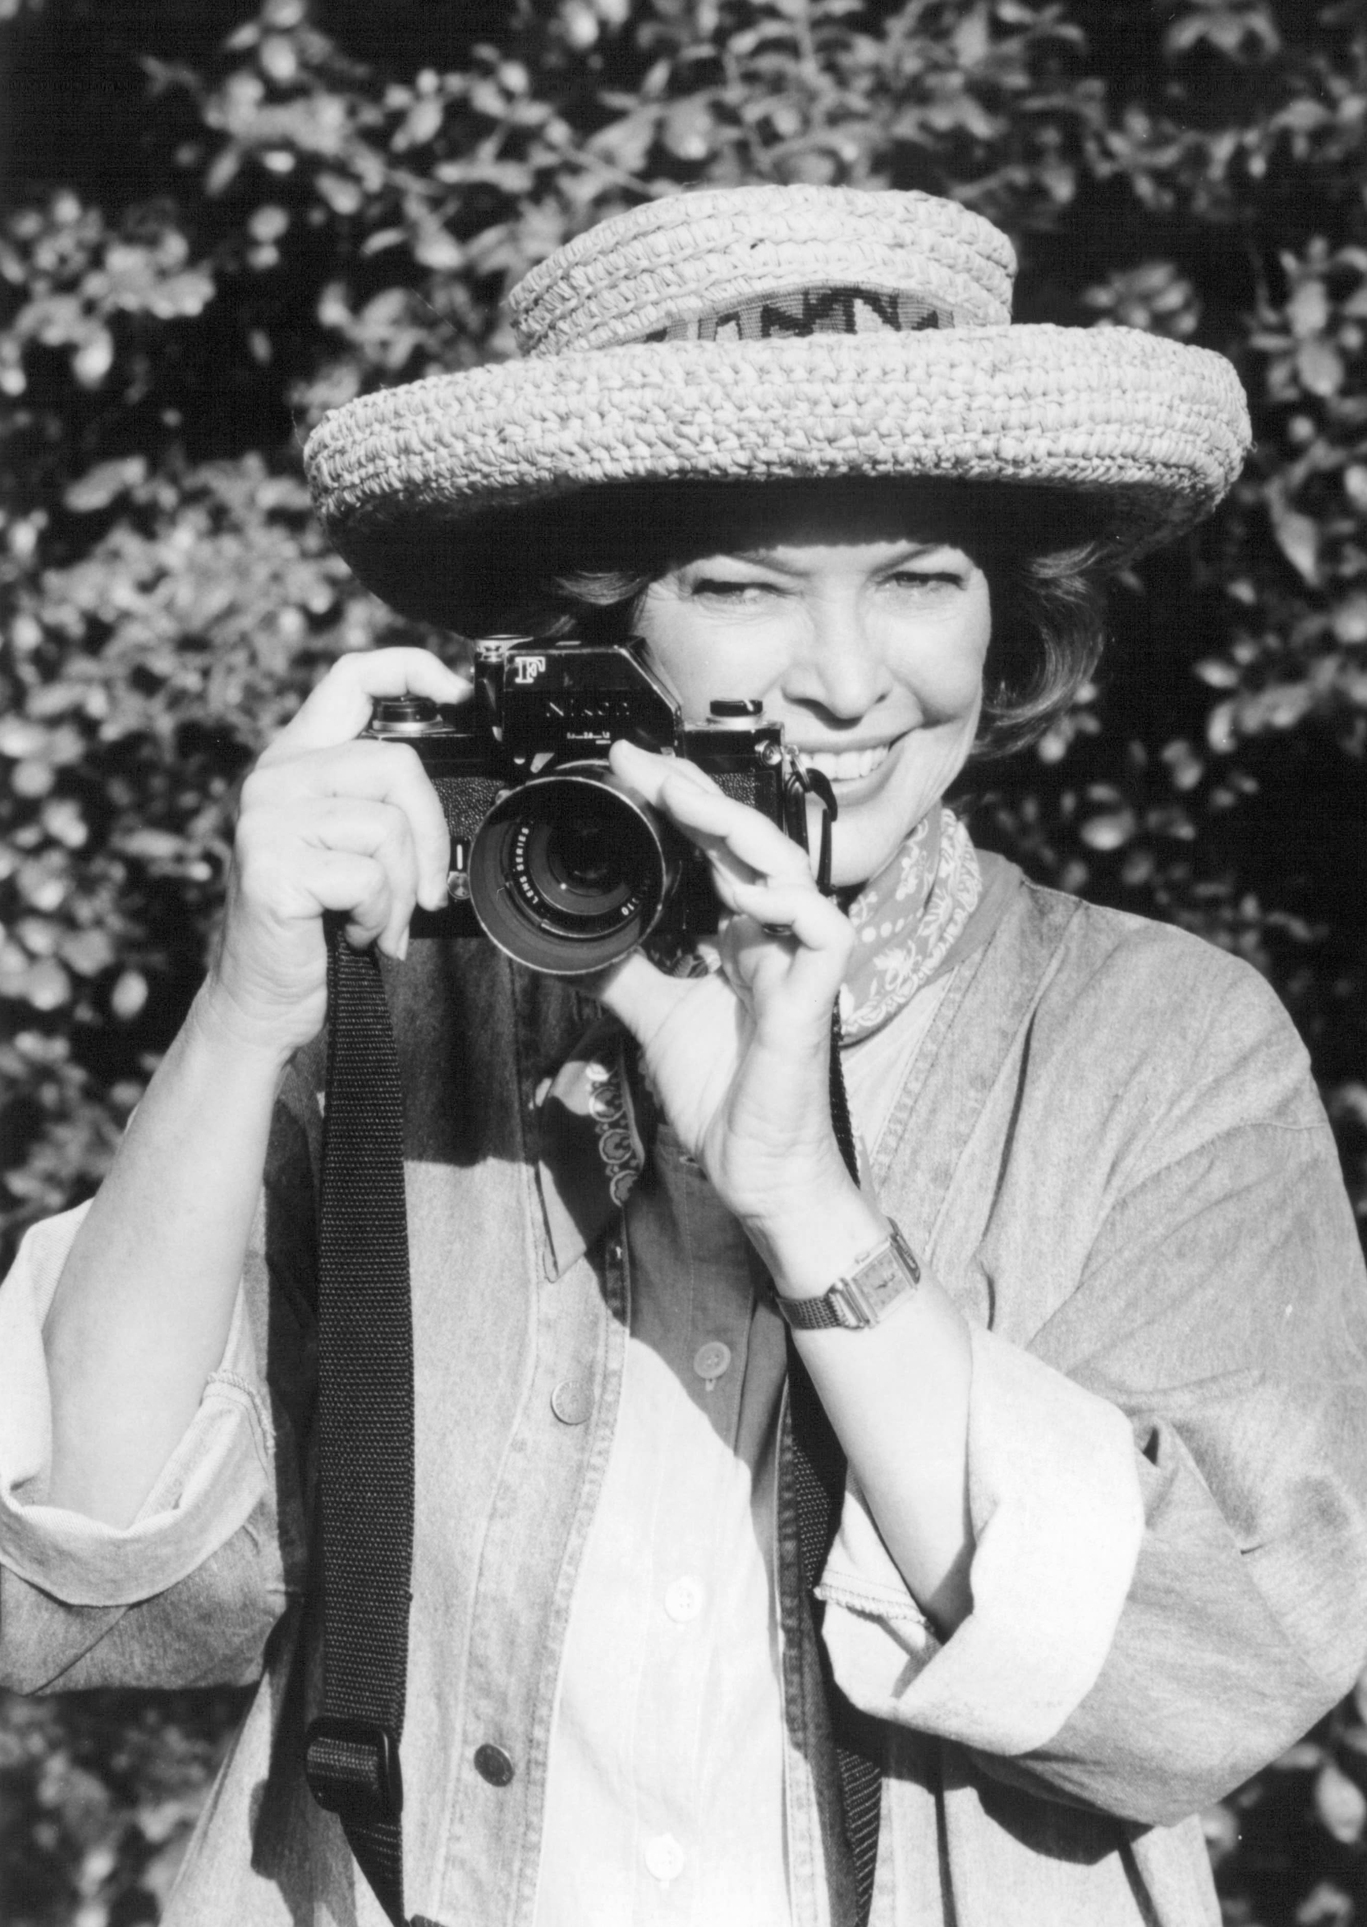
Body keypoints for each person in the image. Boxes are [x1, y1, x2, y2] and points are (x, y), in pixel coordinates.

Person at [2, 184, 1366, 1927]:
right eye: (741, 585)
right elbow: (83, 1570)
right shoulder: (407, 1014)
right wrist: (245, 1008)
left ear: (1002, 614)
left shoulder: (1163, 1041)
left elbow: (1217, 1668)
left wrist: (798, 1194)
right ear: (595, 632)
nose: (848, 681)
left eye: (921, 579)